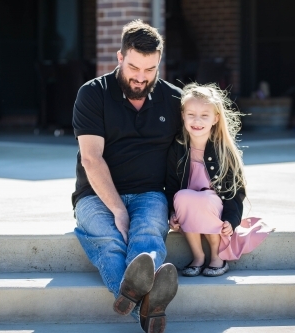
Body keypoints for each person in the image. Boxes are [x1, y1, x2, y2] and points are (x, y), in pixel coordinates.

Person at [72, 20, 180, 333]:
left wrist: (179, 202)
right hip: (95, 195)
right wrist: (118, 209)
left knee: (146, 239)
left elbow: (183, 159)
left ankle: (133, 299)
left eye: (150, 69)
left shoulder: (173, 100)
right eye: (134, 67)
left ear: (159, 63)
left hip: (149, 193)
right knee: (109, 242)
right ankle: (148, 310)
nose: (141, 77)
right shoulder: (93, 94)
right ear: (120, 57)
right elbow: (91, 159)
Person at [165, 83, 273, 277]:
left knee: (204, 199)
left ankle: (217, 257)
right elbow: (171, 184)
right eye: (191, 114)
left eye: (204, 115)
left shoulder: (224, 151)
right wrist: (171, 211)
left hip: (215, 207)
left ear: (215, 119)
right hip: (187, 207)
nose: (197, 120)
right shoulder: (178, 148)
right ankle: (198, 257)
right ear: (183, 115)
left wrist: (232, 219)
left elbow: (235, 191)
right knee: (183, 196)